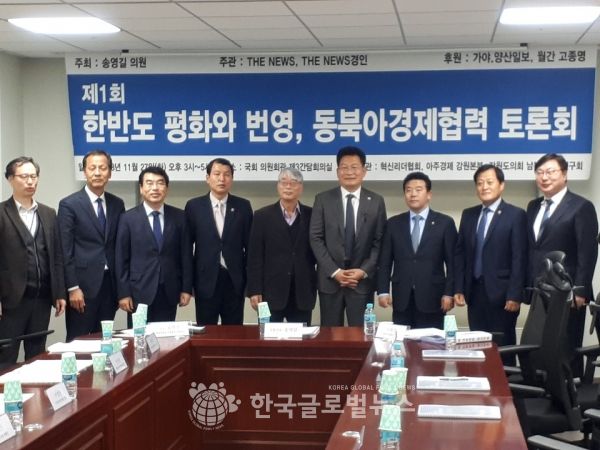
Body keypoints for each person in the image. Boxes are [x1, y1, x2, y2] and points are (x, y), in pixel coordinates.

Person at [527, 153, 598, 377]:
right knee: (540, 347)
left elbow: (588, 252)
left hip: (568, 292)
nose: (544, 177)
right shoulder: (533, 206)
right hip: (540, 290)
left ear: (565, 174)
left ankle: (571, 394)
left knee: (566, 348)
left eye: (550, 172)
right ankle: (543, 392)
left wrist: (580, 290)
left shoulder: (581, 206)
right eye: (540, 173)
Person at [310, 146, 387, 326]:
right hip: (330, 281)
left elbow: (380, 241)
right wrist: (335, 272)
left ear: (364, 171)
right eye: (344, 167)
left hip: (361, 283)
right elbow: (315, 238)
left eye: (354, 167)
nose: (349, 172)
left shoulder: (376, 201)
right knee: (330, 335)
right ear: (338, 172)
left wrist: (363, 271)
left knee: (361, 335)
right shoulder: (323, 199)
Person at [0, 157, 66, 368]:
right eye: (24, 176)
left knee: (37, 355)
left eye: (33, 176)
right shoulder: (1, 213)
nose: (30, 181)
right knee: (6, 356)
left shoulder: (48, 213)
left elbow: (56, 256)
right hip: (10, 300)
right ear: (10, 179)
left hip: (42, 298)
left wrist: (59, 292)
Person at [454, 164, 527, 351]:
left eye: (489, 182)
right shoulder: (468, 215)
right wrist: (459, 287)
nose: (484, 187)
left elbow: (519, 257)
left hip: (503, 295)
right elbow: (460, 254)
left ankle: (506, 372)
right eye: (479, 183)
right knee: (477, 345)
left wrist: (515, 294)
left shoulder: (516, 215)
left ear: (501, 185)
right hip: (474, 292)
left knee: (503, 346)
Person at [58, 150, 124, 341]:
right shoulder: (69, 204)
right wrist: (72, 287)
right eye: (92, 168)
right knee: (77, 341)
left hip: (109, 287)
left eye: (102, 168)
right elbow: (65, 250)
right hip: (82, 288)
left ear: (110, 173)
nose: (97, 173)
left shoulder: (117, 204)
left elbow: (119, 246)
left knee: (105, 340)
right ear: (84, 172)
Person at [377, 172, 456, 329]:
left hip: (433, 297)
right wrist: (383, 291)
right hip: (402, 297)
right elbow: (385, 261)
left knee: (430, 341)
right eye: (408, 190)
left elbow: (453, 263)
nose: (413, 194)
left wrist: (449, 293)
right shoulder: (393, 224)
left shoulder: (445, 223)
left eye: (418, 190)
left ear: (429, 194)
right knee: (402, 340)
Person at [116, 166, 193, 324]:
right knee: (138, 335)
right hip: (138, 291)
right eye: (149, 183)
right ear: (141, 188)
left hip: (169, 290)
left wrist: (186, 288)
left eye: (160, 183)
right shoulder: (127, 219)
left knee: (166, 336)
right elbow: (121, 259)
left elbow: (186, 255)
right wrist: (123, 293)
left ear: (167, 188)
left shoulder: (180, 217)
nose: (155, 188)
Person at [185, 158, 253, 325]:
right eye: (217, 174)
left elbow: (251, 248)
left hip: (234, 280)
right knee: (206, 331)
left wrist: (250, 285)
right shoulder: (194, 206)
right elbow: (186, 248)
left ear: (232, 179)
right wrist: (187, 285)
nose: (222, 179)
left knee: (234, 331)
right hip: (205, 280)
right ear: (207, 178)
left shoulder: (243, 206)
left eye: (227, 175)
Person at [247, 168, 317, 325]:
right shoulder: (262, 216)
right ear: (278, 186)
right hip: (268, 293)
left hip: (303, 292)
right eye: (284, 182)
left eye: (293, 183)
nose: (288, 187)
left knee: (300, 337)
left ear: (301, 188)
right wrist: (254, 290)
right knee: (266, 336)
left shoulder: (313, 215)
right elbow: (254, 256)